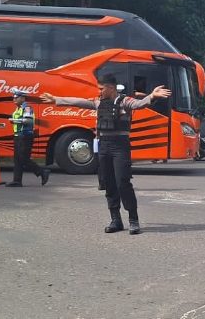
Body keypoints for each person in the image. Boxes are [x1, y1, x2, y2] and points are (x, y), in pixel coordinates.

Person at [40, 74, 171, 235]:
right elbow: (78, 102)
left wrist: (151, 96)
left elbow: (139, 104)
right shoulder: (98, 103)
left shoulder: (124, 102)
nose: (99, 92)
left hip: (120, 146)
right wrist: (56, 100)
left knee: (123, 181)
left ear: (111, 87)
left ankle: (133, 220)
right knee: (108, 183)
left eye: (101, 89)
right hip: (103, 145)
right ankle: (115, 220)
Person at [6, 89, 50, 187]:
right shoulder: (18, 108)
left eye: (16, 97)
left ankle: (42, 172)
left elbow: (28, 121)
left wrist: (14, 120)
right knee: (17, 159)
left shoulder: (27, 108)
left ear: (22, 98)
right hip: (18, 136)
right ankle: (17, 181)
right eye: (14, 98)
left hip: (25, 136)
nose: (14, 99)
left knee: (23, 158)